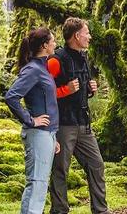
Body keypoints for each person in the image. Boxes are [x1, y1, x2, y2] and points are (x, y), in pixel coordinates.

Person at [46, 17, 108, 214]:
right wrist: (65, 90)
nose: (89, 36)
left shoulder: (83, 57)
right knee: (60, 170)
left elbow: (81, 88)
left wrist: (91, 89)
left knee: (96, 165)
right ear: (76, 35)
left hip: (84, 124)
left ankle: (101, 210)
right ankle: (59, 210)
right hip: (63, 125)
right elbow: (42, 93)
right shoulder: (56, 60)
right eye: (86, 32)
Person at [5, 27, 61, 214]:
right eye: (53, 40)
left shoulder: (42, 68)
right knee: (36, 183)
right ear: (45, 45)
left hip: (47, 135)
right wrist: (31, 120)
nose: (55, 43)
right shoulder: (33, 70)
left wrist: (53, 137)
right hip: (37, 134)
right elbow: (12, 96)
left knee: (41, 184)